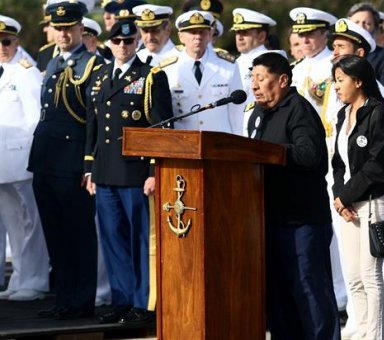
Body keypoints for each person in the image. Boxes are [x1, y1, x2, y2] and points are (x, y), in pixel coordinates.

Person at [246, 51, 340, 340]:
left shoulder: (298, 109)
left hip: (303, 221)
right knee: (278, 291)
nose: (255, 85)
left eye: (262, 79)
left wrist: (270, 154)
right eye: (253, 79)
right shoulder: (258, 113)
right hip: (270, 217)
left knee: (309, 287)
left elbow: (311, 155)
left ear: (283, 80)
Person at [85, 19, 173, 325]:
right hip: (106, 171)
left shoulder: (150, 76)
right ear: (109, 43)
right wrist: (89, 168)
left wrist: (153, 169)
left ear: (137, 43)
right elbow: (93, 126)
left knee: (140, 240)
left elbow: (161, 126)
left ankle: (144, 302)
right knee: (112, 240)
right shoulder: (99, 76)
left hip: (136, 174)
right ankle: (121, 300)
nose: (123, 46)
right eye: (118, 42)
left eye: (129, 41)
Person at [28, 0, 101, 320]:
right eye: (58, 28)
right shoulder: (52, 61)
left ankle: (81, 301)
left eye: (68, 28)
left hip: (72, 162)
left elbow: (94, 121)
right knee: (55, 236)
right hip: (45, 159)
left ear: (80, 29)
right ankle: (64, 299)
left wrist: (89, 166)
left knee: (78, 235)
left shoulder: (92, 65)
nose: (63, 34)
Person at [329, 55, 384, 340]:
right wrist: (339, 197)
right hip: (348, 204)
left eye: (340, 80)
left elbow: (376, 165)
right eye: (335, 80)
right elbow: (338, 163)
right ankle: (361, 332)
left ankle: (375, 336)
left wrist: (345, 196)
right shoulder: (344, 114)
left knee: (370, 275)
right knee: (354, 277)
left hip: (373, 201)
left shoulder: (379, 112)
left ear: (358, 81)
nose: (335, 86)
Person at [0, 14, 50, 302]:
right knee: (14, 225)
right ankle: (19, 277)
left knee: (31, 224)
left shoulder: (25, 71)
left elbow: (36, 119)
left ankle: (35, 280)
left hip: (22, 161)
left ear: (17, 41)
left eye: (7, 41)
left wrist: (35, 158)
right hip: (3, 164)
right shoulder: (2, 70)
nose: (2, 47)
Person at [163, 10, 243, 134]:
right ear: (181, 37)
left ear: (210, 34)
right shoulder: (168, 68)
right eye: (192, 32)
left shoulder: (228, 65)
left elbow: (237, 112)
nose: (198, 37)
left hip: (219, 143)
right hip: (184, 143)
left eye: (202, 32)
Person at [289, 7, 337, 115]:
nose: (305, 41)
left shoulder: (337, 63)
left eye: (310, 34)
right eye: (301, 35)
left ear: (325, 35)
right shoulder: (294, 68)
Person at [347, 3, 384, 85]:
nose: (361, 27)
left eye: (367, 23)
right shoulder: (338, 55)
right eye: (356, 22)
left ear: (375, 27)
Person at [231, 8, 277, 93]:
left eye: (245, 32)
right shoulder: (232, 62)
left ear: (261, 36)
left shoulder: (273, 61)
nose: (240, 38)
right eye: (237, 32)